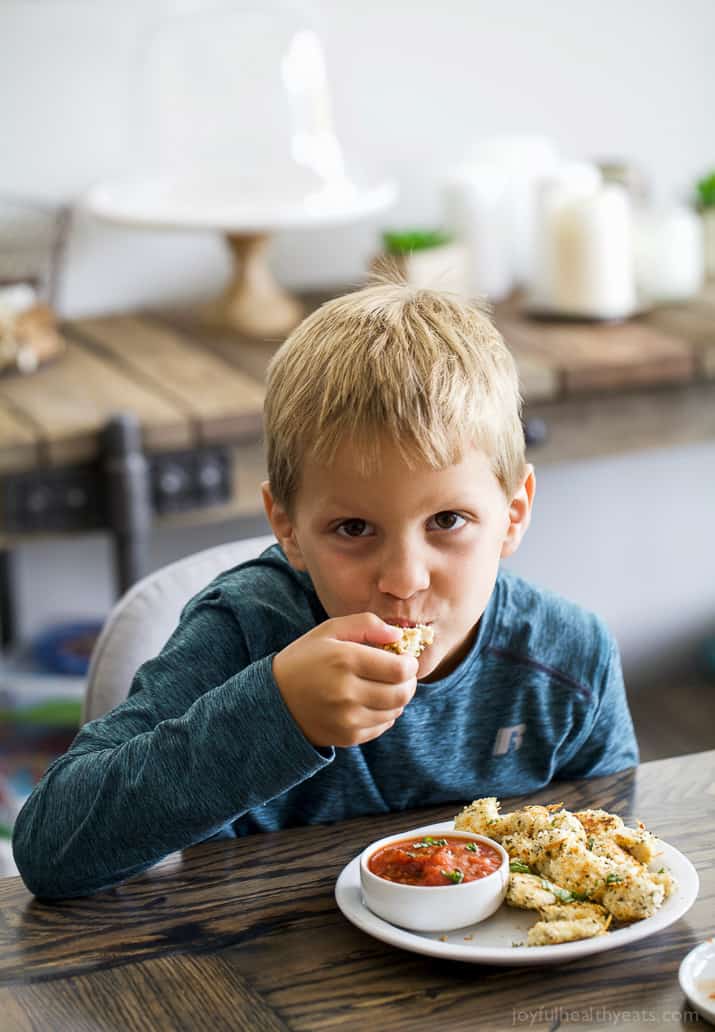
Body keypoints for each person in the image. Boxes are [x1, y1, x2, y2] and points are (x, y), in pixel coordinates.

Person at [12, 278, 638, 899]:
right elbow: (49, 850)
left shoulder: (570, 659)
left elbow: (620, 866)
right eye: (355, 528)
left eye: (447, 521)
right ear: (286, 523)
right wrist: (278, 714)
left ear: (514, 512)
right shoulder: (243, 631)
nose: (404, 579)